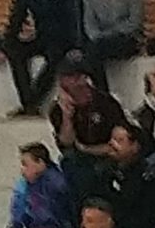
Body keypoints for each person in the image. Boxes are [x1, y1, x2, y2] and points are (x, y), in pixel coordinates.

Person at [0, 0, 84, 117]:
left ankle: (33, 101)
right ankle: (27, 101)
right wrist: (7, 42)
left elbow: (75, 12)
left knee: (55, 56)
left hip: (63, 36)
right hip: (42, 34)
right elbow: (18, 12)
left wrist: (77, 43)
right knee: (15, 51)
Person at [51, 72, 124, 206]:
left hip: (106, 155)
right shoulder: (57, 110)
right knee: (69, 165)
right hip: (79, 158)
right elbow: (67, 142)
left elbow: (118, 143)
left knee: (95, 173)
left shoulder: (105, 102)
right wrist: (67, 116)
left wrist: (87, 149)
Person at [81, 0, 146, 90]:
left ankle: (102, 93)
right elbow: (89, 21)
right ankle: (103, 91)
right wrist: (99, 36)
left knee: (94, 50)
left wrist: (110, 33)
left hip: (126, 38)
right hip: (100, 40)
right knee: (90, 51)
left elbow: (135, 21)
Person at [96, 123, 151, 228]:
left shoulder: (145, 177)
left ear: (135, 146)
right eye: (111, 139)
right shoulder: (105, 168)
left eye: (119, 140)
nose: (111, 143)